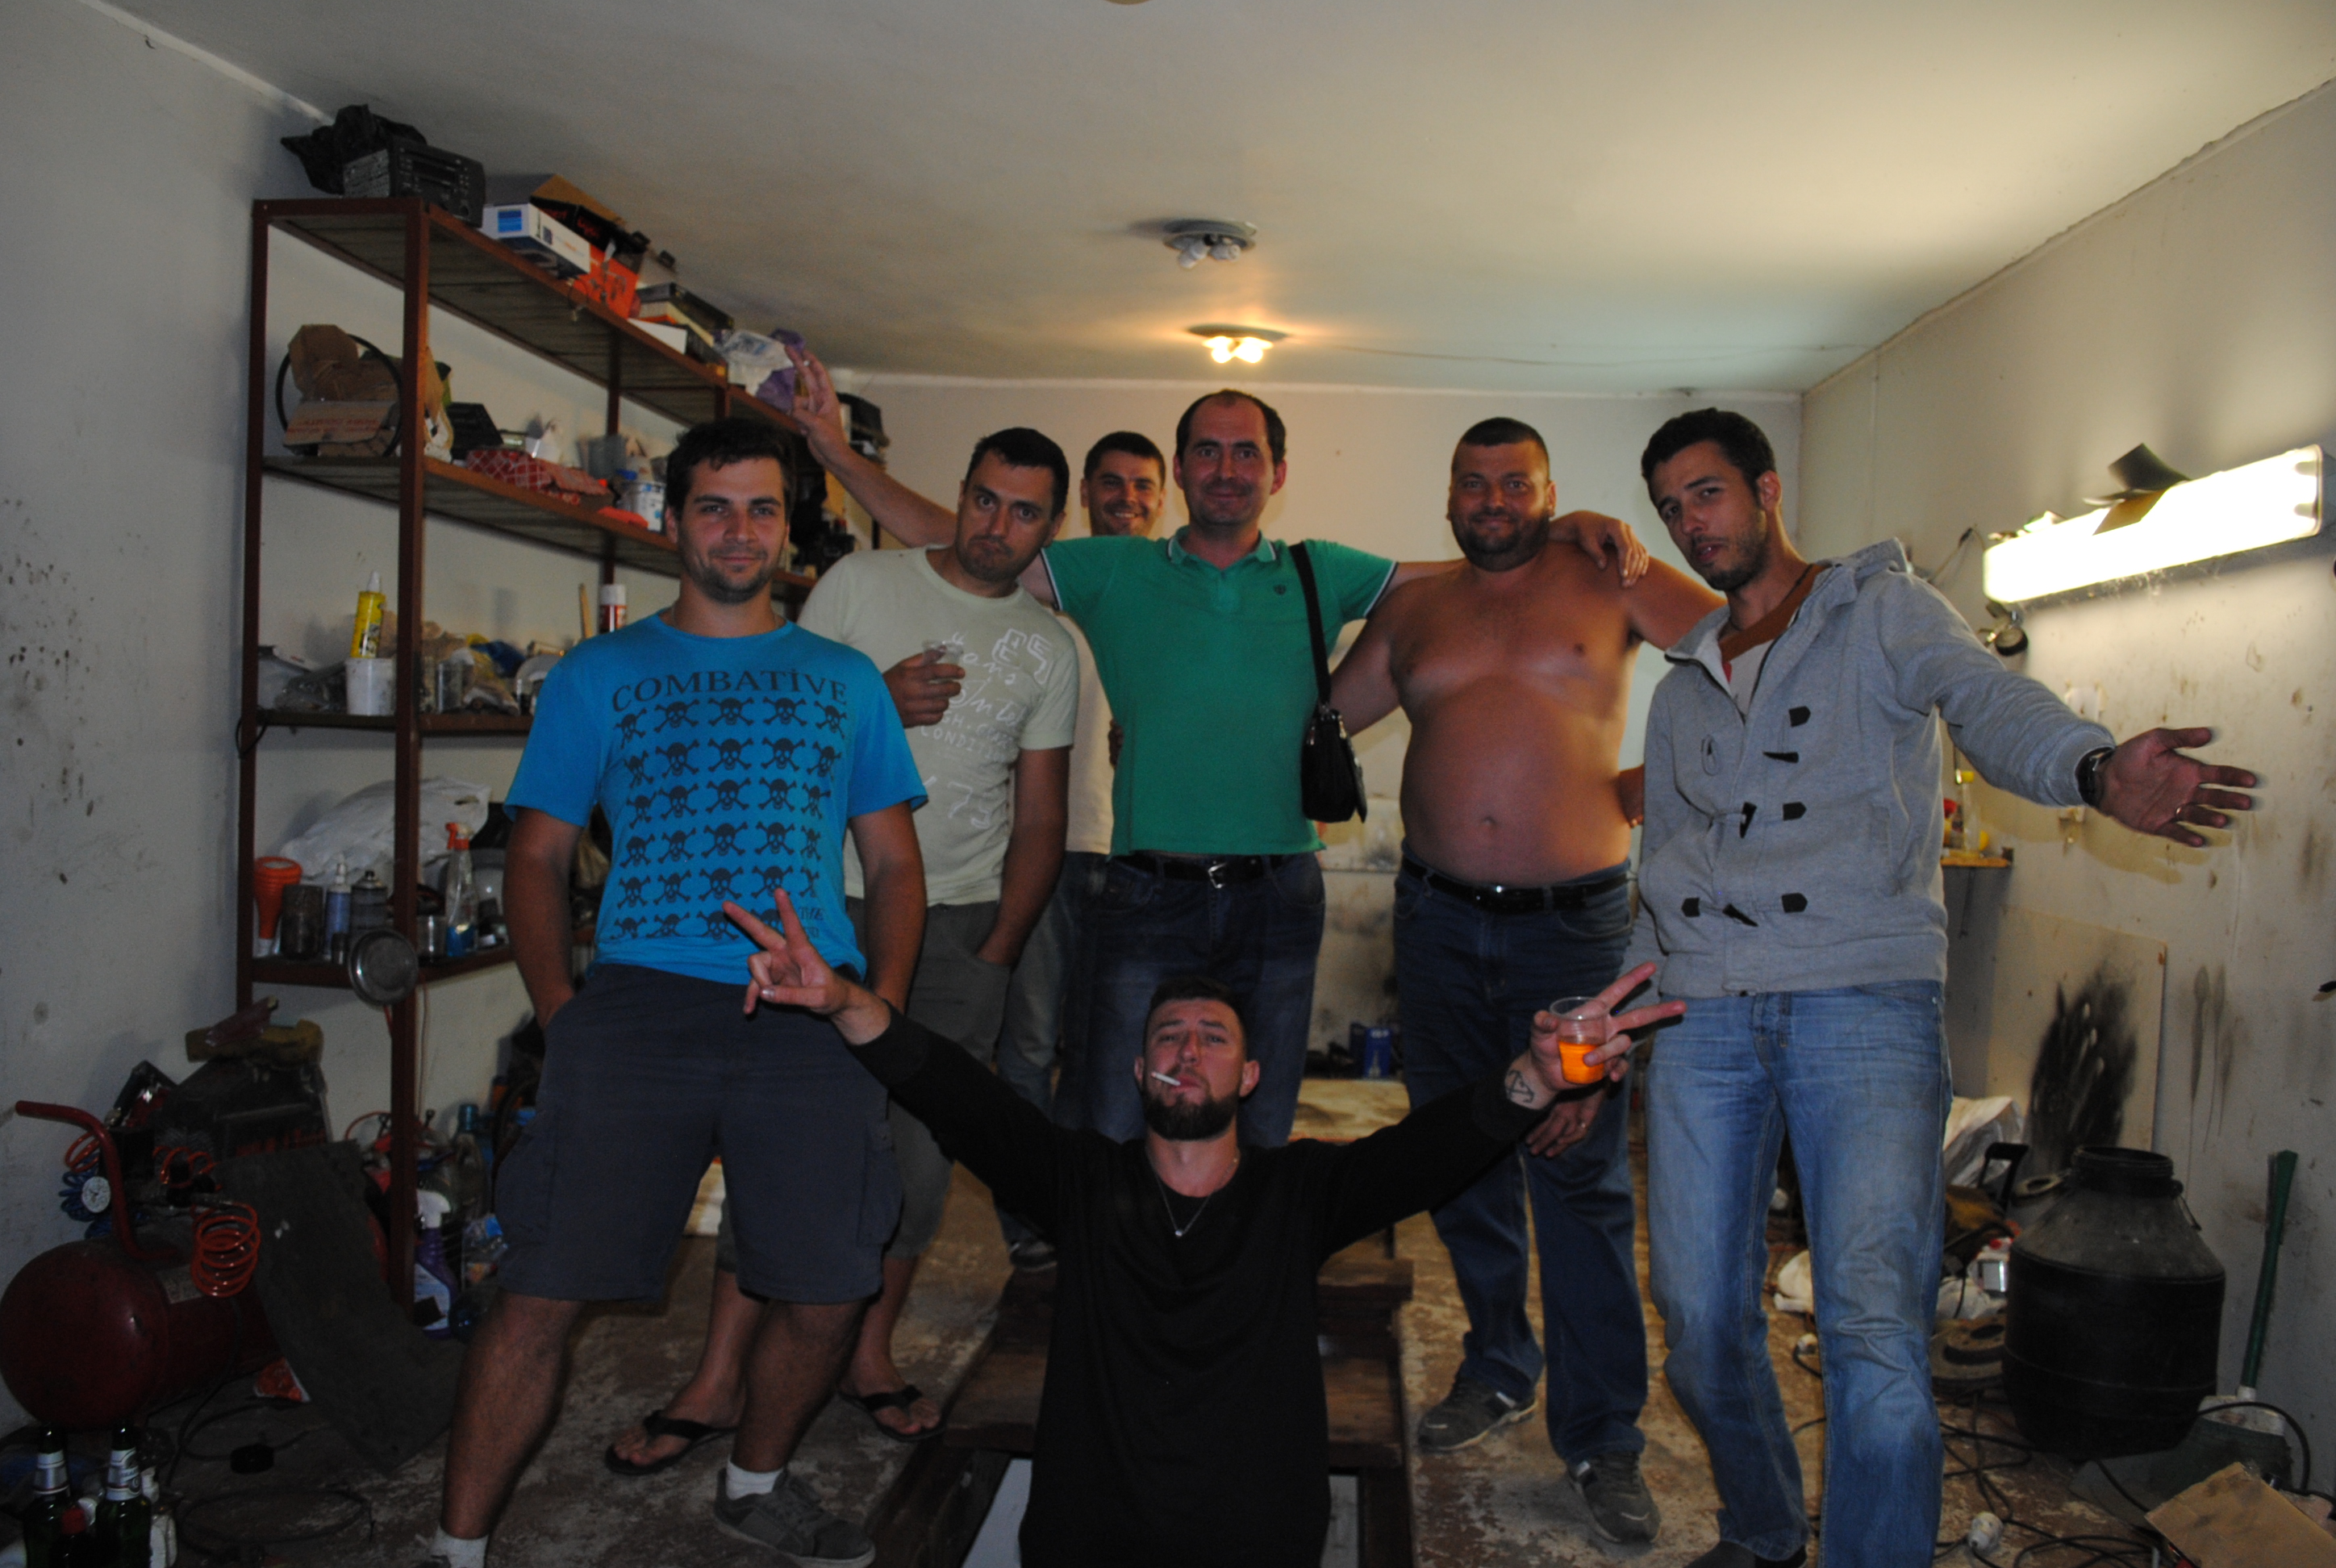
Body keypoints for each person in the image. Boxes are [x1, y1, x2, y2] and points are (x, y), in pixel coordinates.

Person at [1628, 408, 2258, 1568]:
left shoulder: (1883, 611)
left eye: (1706, 493)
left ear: (1767, 489)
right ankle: (1764, 1531)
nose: (1690, 523)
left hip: (1861, 997)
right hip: (1706, 1009)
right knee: (1701, 1321)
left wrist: (2093, 768)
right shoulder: (1680, 690)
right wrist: (1616, 1018)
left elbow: (1992, 703)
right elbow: (1664, 869)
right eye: (1670, 508)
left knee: (1872, 1332)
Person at [786, 347, 1647, 1149]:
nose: (1226, 469)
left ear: (1277, 474)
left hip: (1280, 895)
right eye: (1207, 451)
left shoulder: (1321, 569)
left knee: (1259, 1124)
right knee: (1119, 1118)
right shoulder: (1115, 569)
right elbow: (968, 537)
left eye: (1246, 453)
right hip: (1145, 895)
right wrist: (833, 450)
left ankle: (1241, 1268)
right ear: (1181, 468)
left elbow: (1468, 566)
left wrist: (1552, 526)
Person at [725, 889, 1684, 1567]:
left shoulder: (1299, 1193)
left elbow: (1430, 1150)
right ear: (1138, 1073)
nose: (1187, 1051)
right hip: (1084, 1544)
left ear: (1249, 1077)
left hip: (1255, 1543)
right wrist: (846, 1000)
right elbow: (956, 1094)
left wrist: (1538, 1077)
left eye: (1212, 1038)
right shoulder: (1080, 1183)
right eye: (1168, 1038)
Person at [419, 417, 928, 1568]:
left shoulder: (846, 682)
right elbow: (536, 857)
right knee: (541, 1291)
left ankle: (755, 1484)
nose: (739, 531)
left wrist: (880, 1017)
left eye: (762, 509)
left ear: (788, 529)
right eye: (714, 507)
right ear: (674, 522)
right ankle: (455, 1550)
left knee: (828, 1286)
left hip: (807, 1014)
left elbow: (895, 867)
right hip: (638, 1009)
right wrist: (564, 1012)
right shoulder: (597, 676)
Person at [1330, 416, 1718, 1543]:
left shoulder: (1606, 574)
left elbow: (1745, 650)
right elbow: (1318, 719)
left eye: (1516, 484)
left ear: (1549, 494)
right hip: (1437, 923)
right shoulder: (1415, 609)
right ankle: (1498, 1363)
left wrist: (1661, 782)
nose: (1493, 501)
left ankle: (1602, 1436)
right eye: (1474, 483)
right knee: (1460, 1155)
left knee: (1580, 1177)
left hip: (1572, 933)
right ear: (1448, 495)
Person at [797, 424, 1078, 1436]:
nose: (998, 525)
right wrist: (872, 701)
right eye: (985, 499)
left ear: (1051, 528)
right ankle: (744, 1360)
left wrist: (999, 946)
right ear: (959, 493)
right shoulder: (857, 585)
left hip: (958, 926)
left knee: (918, 1155)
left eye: (1025, 512)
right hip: (826, 911)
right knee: (795, 1135)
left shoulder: (1051, 649)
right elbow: (779, 734)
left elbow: (1040, 819)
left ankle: (869, 1356)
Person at [999, 432, 1171, 1201]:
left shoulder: (1175, 598)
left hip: (1142, 856)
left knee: (1112, 1052)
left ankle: (1090, 1209)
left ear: (1162, 499)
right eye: (1111, 483)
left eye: (1142, 485)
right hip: (1045, 850)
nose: (1127, 498)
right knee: (1029, 1046)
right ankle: (1032, 1212)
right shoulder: (1037, 594)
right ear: (1083, 498)